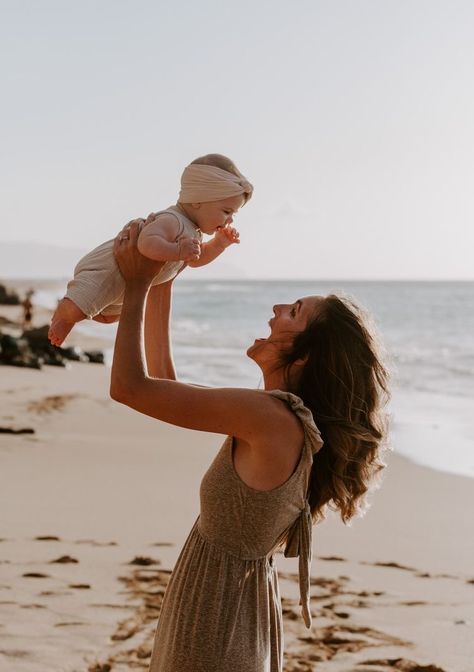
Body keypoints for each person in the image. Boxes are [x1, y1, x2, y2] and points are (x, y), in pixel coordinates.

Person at [110, 221, 390, 672]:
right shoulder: (275, 415)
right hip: (228, 614)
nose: (277, 308)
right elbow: (162, 382)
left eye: (294, 312)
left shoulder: (272, 420)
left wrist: (137, 280)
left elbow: (129, 387)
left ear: (303, 357)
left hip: (215, 628)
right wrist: (163, 277)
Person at [48, 153, 253, 347]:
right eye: (226, 211)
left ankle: (73, 316)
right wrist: (178, 250)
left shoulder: (193, 232)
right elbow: (146, 243)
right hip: (107, 272)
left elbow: (196, 259)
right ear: (198, 199)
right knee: (76, 310)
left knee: (108, 316)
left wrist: (219, 245)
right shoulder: (173, 220)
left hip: (124, 285)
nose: (230, 219)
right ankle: (63, 314)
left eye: (233, 214)